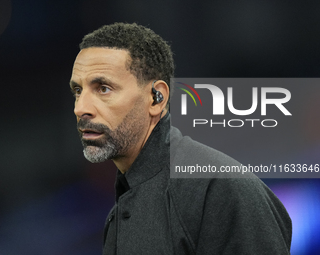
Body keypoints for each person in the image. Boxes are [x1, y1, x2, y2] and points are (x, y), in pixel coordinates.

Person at [70, 23, 292, 255]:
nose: (81, 108)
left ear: (156, 99)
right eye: (78, 91)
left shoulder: (219, 188)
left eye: (103, 88)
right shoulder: (121, 211)